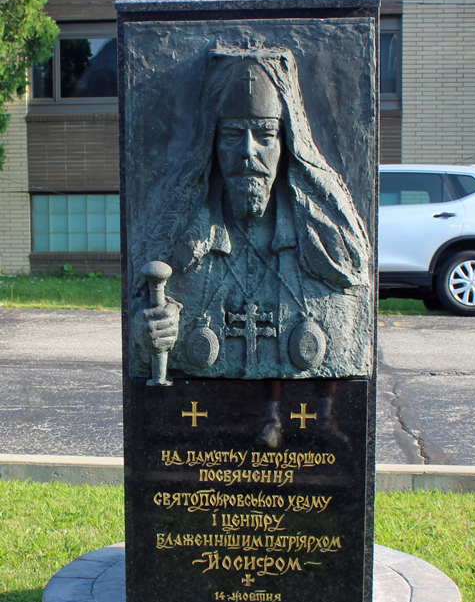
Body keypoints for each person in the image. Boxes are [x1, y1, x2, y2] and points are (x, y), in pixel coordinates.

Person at [131, 46, 372, 380]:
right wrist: (149, 330)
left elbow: (352, 325)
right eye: (231, 134)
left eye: (264, 134)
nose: (247, 151)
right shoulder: (181, 240)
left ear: (286, 143)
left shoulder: (325, 245)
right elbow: (142, 312)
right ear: (211, 144)